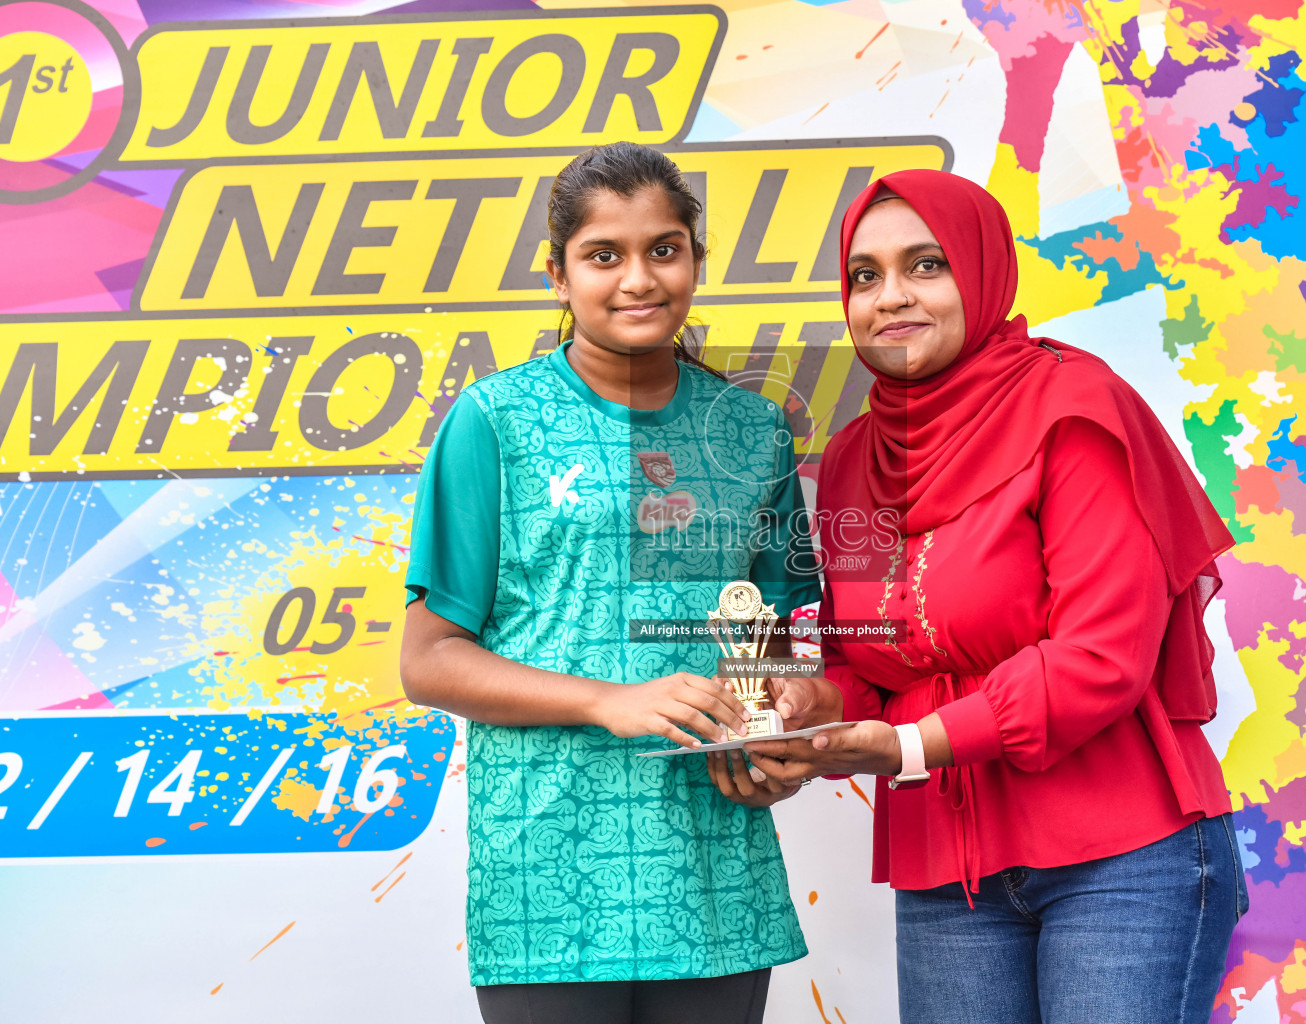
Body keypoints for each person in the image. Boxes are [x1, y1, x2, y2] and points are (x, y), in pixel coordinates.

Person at [737, 169, 1250, 1024]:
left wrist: (906, 748)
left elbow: (1100, 661)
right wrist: (807, 703)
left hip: (1122, 860)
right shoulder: (857, 457)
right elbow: (871, 662)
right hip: (947, 874)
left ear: (981, 272)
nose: (890, 297)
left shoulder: (1073, 411)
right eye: (865, 276)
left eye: (925, 266)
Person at [399, 141, 820, 1024]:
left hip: (715, 862)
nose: (639, 278)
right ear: (559, 274)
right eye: (604, 255)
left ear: (697, 262)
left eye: (664, 249)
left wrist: (778, 732)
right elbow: (431, 661)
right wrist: (606, 700)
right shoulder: (493, 421)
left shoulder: (754, 431)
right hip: (549, 868)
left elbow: (777, 632)